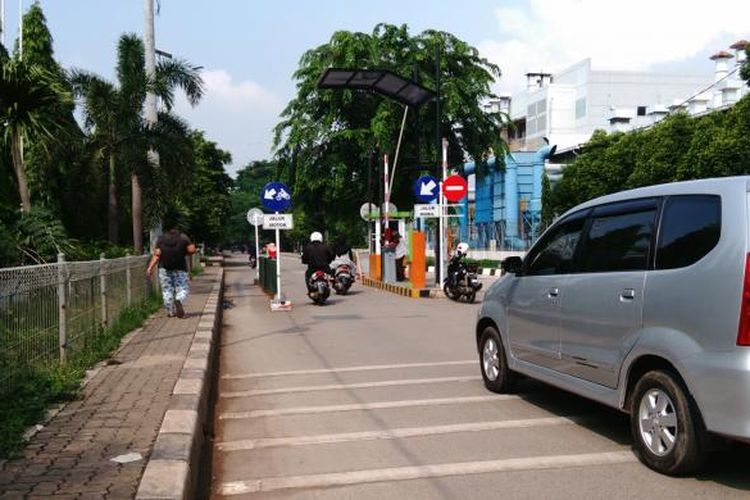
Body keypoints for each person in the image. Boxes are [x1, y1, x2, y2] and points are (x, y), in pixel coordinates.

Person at [146, 222, 196, 318]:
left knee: (166, 291)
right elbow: (191, 250)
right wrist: (186, 250)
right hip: (180, 268)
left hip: (164, 268)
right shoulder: (183, 237)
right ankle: (179, 299)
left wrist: (150, 267)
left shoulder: (160, 239)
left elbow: (157, 255)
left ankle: (170, 312)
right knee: (182, 288)